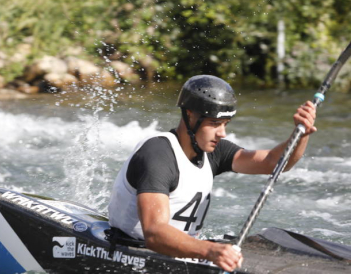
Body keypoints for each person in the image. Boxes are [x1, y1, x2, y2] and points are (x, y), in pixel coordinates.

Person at [108, 75, 317, 272]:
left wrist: (301, 134)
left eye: (225, 124)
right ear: (190, 114)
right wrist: (210, 250)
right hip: (136, 250)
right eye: (215, 124)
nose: (222, 133)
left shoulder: (214, 150)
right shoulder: (157, 155)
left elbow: (274, 163)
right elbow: (154, 233)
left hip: (187, 252)